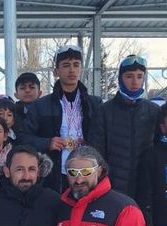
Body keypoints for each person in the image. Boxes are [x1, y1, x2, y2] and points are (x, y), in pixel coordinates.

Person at [18, 45, 104, 193]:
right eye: (66, 65)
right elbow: (22, 138)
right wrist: (47, 143)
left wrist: (89, 143)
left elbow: (104, 138)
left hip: (87, 173)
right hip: (54, 176)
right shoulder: (40, 106)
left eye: (76, 65)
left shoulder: (95, 104)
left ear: (81, 69)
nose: (72, 70)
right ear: (56, 71)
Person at [101, 54, 161, 199]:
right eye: (129, 76)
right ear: (120, 78)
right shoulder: (104, 111)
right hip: (113, 186)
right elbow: (97, 150)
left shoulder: (154, 111)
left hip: (146, 185)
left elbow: (160, 149)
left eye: (140, 76)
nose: (135, 81)